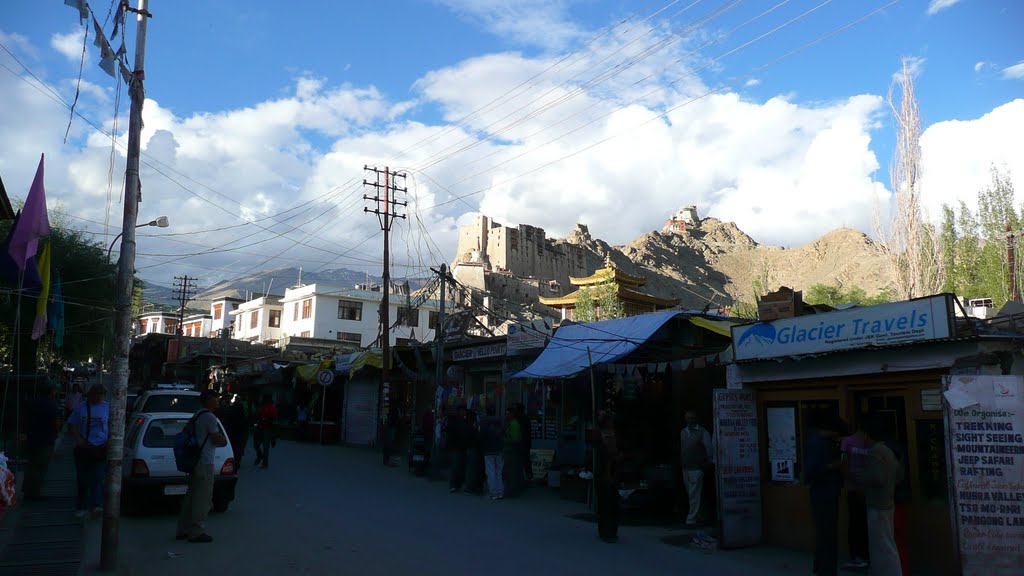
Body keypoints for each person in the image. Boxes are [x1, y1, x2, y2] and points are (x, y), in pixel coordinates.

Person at [176, 390, 228, 543]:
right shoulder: (210, 417)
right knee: (202, 499)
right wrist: (222, 438)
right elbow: (217, 439)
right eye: (215, 398)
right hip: (204, 462)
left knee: (191, 497)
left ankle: (183, 529)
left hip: (196, 462)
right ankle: (196, 531)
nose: (217, 400)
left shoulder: (198, 414)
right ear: (208, 400)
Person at [856, 417, 904, 576]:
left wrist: (860, 475)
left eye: (861, 434)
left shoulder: (876, 451)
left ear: (867, 434)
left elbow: (877, 478)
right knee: (885, 543)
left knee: (883, 546)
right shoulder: (888, 450)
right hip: (887, 502)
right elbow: (898, 476)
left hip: (878, 505)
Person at [804, 416, 844, 576]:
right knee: (826, 532)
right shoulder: (817, 443)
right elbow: (812, 471)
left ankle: (821, 566)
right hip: (823, 493)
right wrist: (832, 466)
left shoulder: (820, 442)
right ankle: (826, 569)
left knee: (825, 532)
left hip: (825, 492)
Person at [68, 383, 110, 518]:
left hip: (100, 447)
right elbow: (72, 424)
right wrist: (79, 440)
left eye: (101, 394)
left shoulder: (107, 407)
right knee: (83, 479)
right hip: (85, 447)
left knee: (98, 478)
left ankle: (96, 505)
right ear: (91, 394)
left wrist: (109, 441)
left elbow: (113, 425)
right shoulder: (82, 407)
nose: (99, 397)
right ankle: (82, 506)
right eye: (97, 394)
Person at [841, 423, 871, 571]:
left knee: (855, 523)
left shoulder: (848, 441)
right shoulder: (869, 443)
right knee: (863, 523)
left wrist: (850, 481)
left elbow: (844, 464)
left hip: (856, 488)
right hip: (865, 489)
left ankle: (858, 557)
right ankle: (864, 556)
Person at [24, 383, 59, 501]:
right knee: (40, 467)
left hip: (32, 438)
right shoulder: (51, 404)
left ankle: (27, 489)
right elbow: (54, 422)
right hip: (45, 439)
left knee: (31, 465)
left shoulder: (31, 402)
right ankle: (34, 493)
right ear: (51, 392)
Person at [680, 409, 713, 526]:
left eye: (692, 418)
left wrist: (708, 462)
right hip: (685, 467)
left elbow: (709, 449)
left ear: (696, 419)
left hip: (697, 467)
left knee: (694, 493)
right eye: (688, 418)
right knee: (692, 493)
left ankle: (691, 519)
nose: (690, 420)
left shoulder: (702, 432)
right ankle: (700, 514)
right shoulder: (683, 432)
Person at [594, 411, 621, 543]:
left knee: (613, 503)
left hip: (613, 471)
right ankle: (605, 531)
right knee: (605, 503)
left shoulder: (615, 435)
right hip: (603, 473)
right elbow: (602, 457)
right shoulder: (599, 436)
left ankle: (612, 531)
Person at [480, 405, 504, 500]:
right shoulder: (499, 422)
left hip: (488, 450)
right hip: (499, 449)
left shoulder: (484, 422)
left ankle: (493, 492)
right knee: (499, 471)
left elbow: (481, 436)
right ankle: (500, 491)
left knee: (491, 472)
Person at [446, 405, 472, 492]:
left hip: (463, 447)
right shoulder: (455, 421)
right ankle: (453, 484)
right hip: (456, 447)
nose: (464, 412)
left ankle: (458, 484)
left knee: (461, 466)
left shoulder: (465, 421)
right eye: (462, 411)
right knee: (456, 466)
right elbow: (451, 434)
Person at [503, 406, 524, 497]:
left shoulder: (514, 424)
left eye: (508, 413)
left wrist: (504, 439)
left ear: (512, 414)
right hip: (510, 450)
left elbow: (515, 439)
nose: (506, 415)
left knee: (511, 471)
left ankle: (511, 490)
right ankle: (511, 489)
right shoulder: (510, 423)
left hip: (512, 450)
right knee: (510, 471)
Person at [254, 394, 277, 468]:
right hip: (260, 428)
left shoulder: (271, 407)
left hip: (267, 428)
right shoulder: (261, 406)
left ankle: (264, 462)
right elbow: (257, 415)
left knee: (265, 446)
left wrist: (265, 420)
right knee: (257, 444)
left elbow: (273, 419)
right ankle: (260, 457)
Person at [464, 411, 483, 495]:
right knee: (472, 469)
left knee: (471, 468)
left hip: (471, 449)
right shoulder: (471, 428)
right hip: (473, 449)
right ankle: (470, 487)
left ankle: (471, 486)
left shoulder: (469, 427)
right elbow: (476, 438)